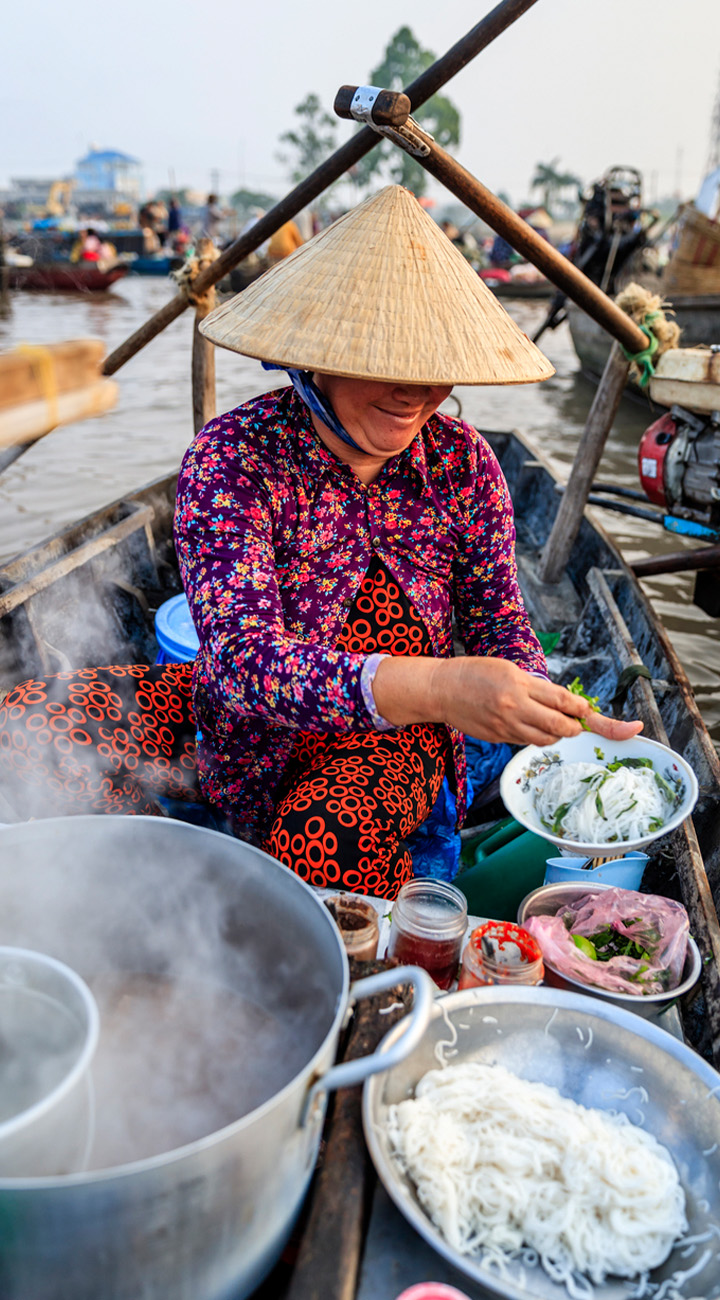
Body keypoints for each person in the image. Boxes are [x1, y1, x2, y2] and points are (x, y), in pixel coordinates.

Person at [0, 186, 641, 900]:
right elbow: (244, 663)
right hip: (237, 726)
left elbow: (499, 623)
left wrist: (532, 693)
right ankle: (157, 901)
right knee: (23, 726)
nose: (415, 394)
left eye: (434, 369)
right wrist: (441, 682)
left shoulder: (463, 464)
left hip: (396, 740)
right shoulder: (235, 457)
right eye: (386, 364)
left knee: (323, 837)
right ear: (317, 357)